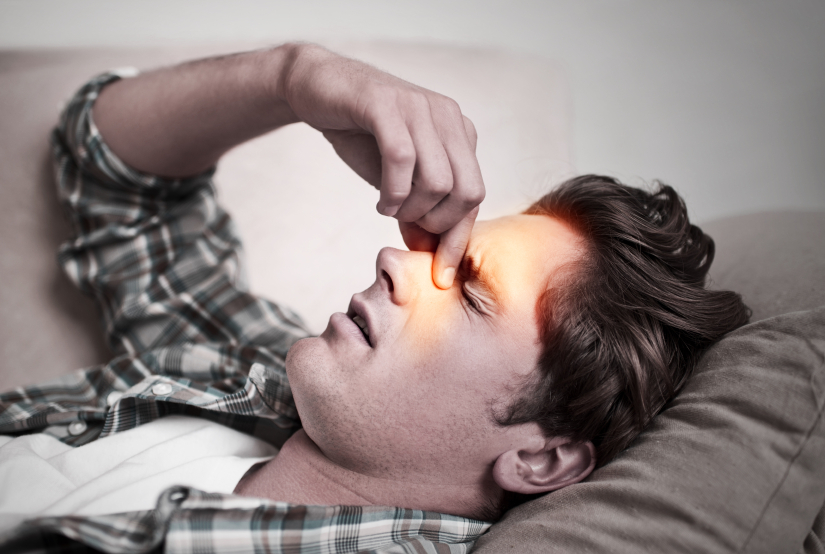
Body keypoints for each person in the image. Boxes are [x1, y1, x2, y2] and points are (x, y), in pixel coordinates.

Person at [0, 43, 749, 553]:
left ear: (542, 457)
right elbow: (117, 182)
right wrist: (292, 76)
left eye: (470, 293)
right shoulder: (259, 373)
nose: (395, 258)